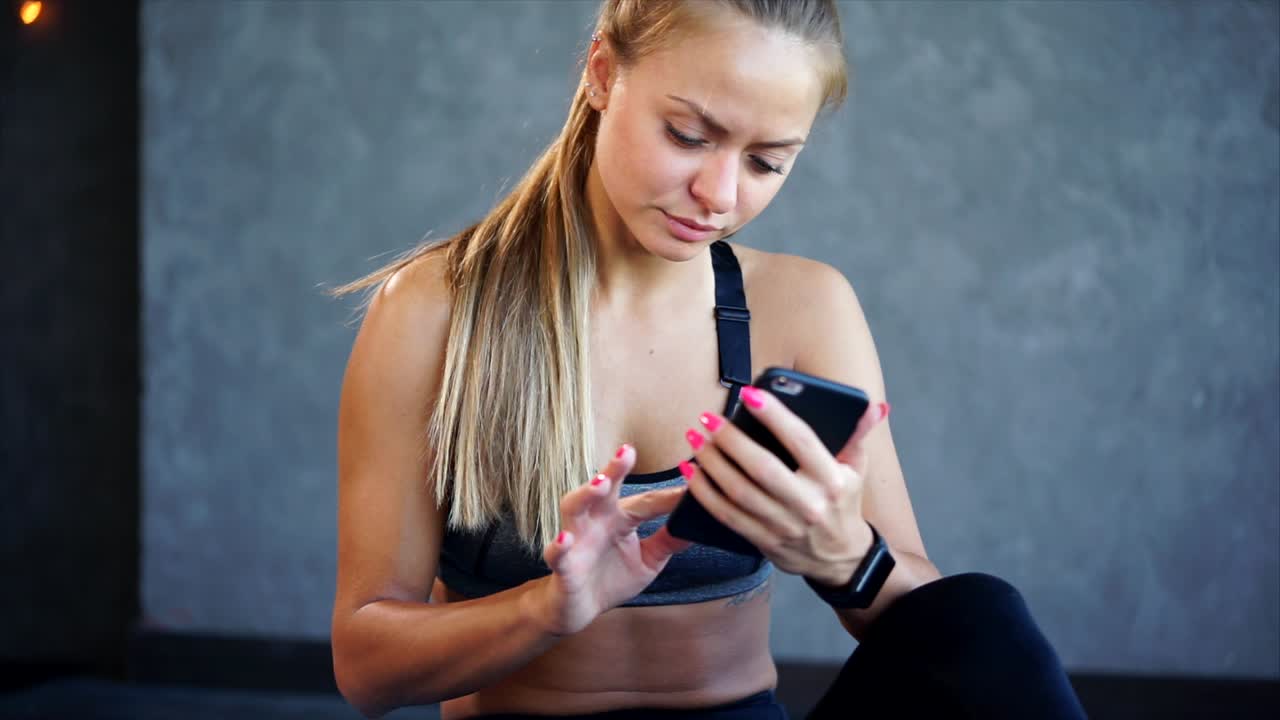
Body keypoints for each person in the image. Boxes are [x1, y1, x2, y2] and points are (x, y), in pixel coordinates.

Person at [330, 1, 1086, 718]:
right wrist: (549, 607)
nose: (717, 195)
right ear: (600, 73)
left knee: (984, 622)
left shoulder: (804, 306)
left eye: (766, 162)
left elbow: (931, 629)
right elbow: (367, 673)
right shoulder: (436, 309)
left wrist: (844, 553)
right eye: (689, 136)